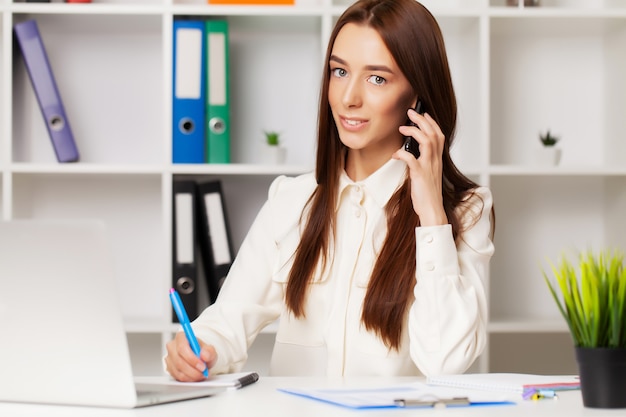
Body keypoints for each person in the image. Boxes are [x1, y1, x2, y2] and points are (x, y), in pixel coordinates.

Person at [165, 0, 495, 381]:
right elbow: (226, 326)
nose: (348, 97)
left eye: (377, 78)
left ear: (417, 96)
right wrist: (195, 351)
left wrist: (431, 216)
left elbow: (446, 360)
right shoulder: (290, 200)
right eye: (339, 71)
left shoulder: (465, 211)